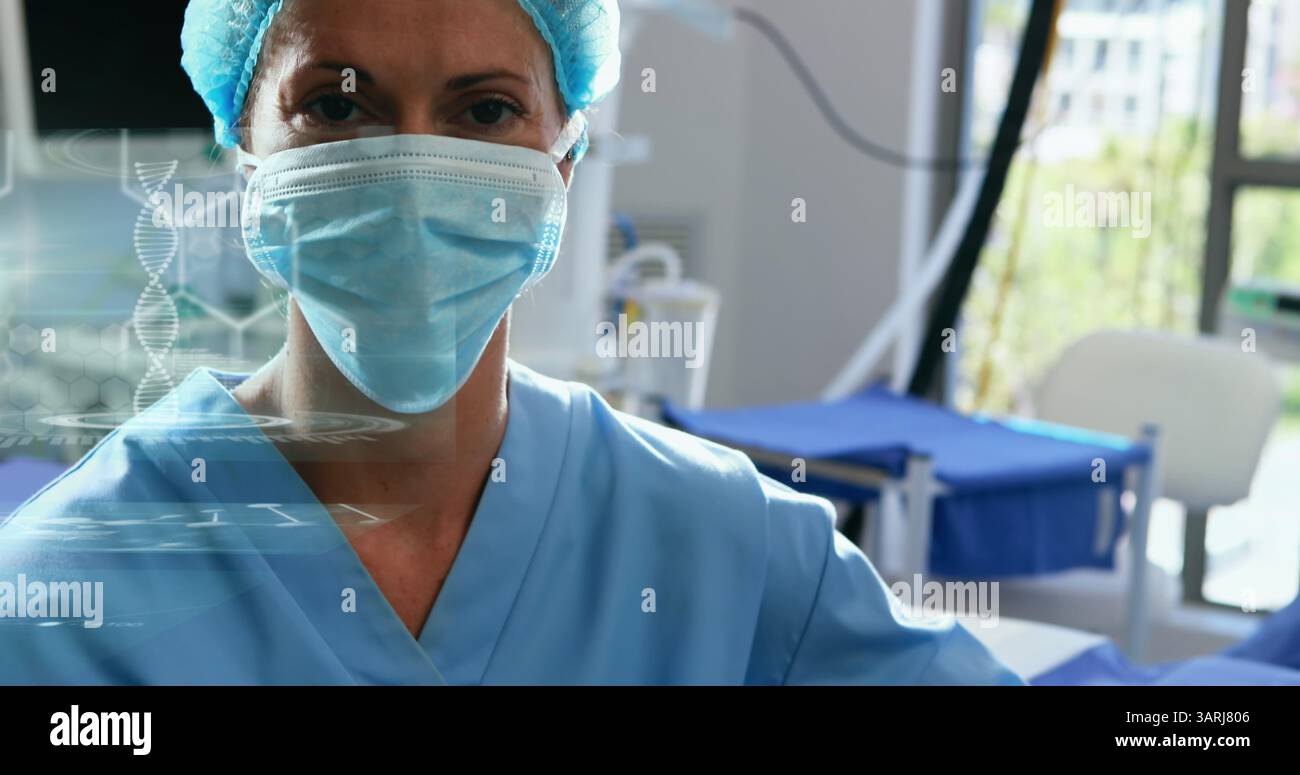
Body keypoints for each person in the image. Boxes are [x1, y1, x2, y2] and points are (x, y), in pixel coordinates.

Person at [0, 0, 1021, 685]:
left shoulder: (726, 551)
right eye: (335, 105)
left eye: (485, 110)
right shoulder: (61, 601)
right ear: (243, 150)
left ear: (563, 159)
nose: (409, 171)